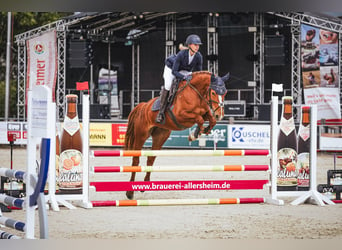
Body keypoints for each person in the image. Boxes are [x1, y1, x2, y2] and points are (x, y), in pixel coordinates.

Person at [156, 34, 203, 123]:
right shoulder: (181, 54)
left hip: (185, 70)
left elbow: (199, 73)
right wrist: (184, 77)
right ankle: (161, 112)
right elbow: (174, 71)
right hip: (171, 69)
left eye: (198, 45)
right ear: (189, 45)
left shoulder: (198, 56)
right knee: (168, 85)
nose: (197, 47)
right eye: (195, 45)